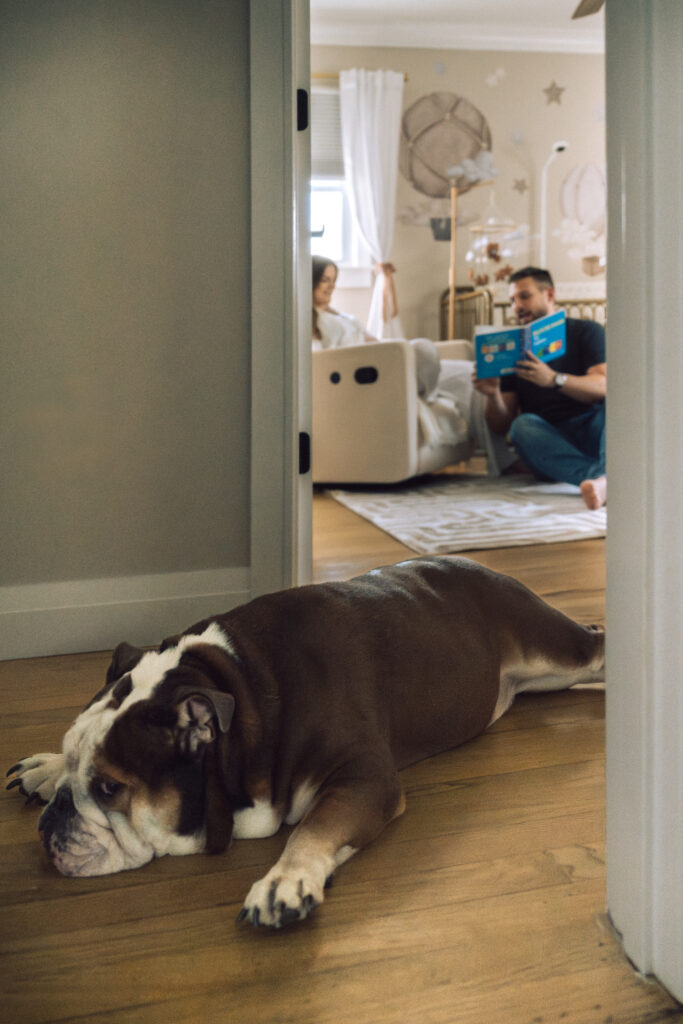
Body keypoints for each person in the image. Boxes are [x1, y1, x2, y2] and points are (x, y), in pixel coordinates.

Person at [473, 266, 607, 510]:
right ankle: (605, 478)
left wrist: (554, 379)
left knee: (615, 403)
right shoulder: (514, 349)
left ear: (550, 295)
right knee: (521, 426)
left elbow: (603, 386)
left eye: (524, 296)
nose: (517, 306)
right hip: (549, 440)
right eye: (512, 300)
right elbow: (500, 425)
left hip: (592, 429)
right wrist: (492, 395)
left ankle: (598, 479)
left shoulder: (586, 331)